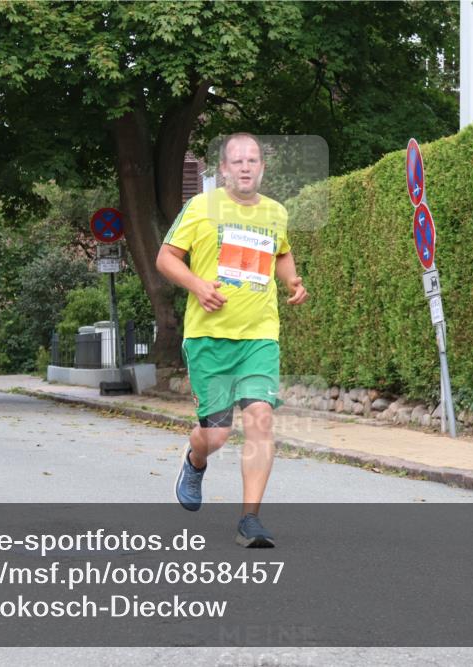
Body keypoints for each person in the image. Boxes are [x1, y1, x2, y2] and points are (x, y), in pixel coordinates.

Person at [156, 132, 308, 548]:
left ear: (262, 167)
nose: (245, 167)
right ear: (223, 169)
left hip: (259, 335)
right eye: (237, 161)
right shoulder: (200, 208)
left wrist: (292, 280)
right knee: (217, 434)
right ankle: (195, 457)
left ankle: (250, 519)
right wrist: (197, 286)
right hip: (210, 337)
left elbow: (281, 253)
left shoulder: (276, 213)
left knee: (261, 417)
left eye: (253, 160)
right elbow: (166, 258)